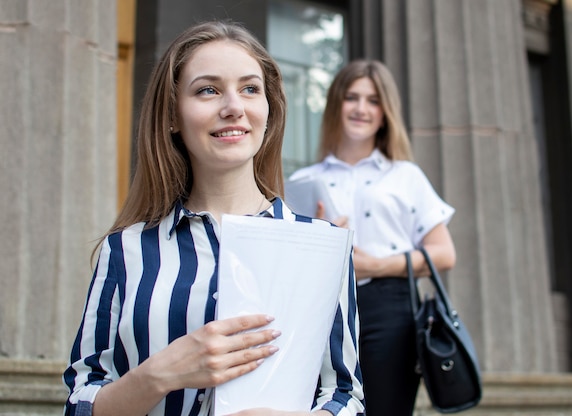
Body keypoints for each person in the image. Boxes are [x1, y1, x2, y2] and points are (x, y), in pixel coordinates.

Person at [63, 21, 364, 416]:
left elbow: (343, 396)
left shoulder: (323, 247)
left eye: (250, 89)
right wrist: (160, 375)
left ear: (269, 112)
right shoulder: (125, 249)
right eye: (208, 90)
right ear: (172, 115)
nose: (233, 107)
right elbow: (80, 403)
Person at [288, 60, 456, 416]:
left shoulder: (405, 175)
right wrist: (318, 238)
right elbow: (289, 265)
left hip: (390, 310)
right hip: (322, 309)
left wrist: (377, 264)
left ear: (385, 113)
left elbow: (444, 254)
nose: (362, 109)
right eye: (352, 98)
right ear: (336, 104)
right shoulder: (304, 180)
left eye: (373, 100)